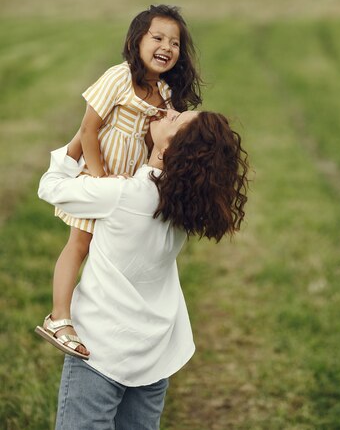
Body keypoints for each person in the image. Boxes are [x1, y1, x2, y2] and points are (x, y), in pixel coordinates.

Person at [37, 109, 249, 430]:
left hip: (101, 349)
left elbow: (50, 186)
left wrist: (84, 134)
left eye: (176, 120)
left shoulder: (122, 195)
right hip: (154, 353)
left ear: (168, 149)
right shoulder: (183, 205)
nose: (169, 112)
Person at [37, 4, 202, 359]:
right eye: (157, 37)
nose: (167, 47)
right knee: (79, 245)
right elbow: (88, 130)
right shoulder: (118, 77)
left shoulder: (165, 93)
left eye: (175, 43)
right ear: (136, 40)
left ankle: (106, 320)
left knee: (106, 254)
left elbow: (154, 143)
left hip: (126, 188)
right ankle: (59, 316)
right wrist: (98, 177)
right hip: (101, 177)